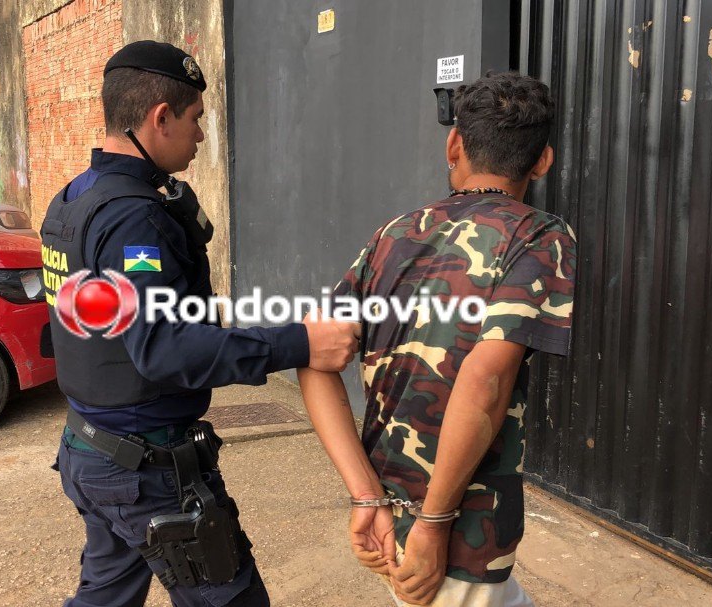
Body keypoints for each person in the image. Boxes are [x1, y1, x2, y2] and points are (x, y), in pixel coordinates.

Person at [40, 40, 360, 607]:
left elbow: (125, 321)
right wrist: (299, 343)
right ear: (160, 118)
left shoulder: (73, 199)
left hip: (91, 449)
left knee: (105, 598)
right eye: (196, 119)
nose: (202, 135)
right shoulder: (134, 218)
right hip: (145, 470)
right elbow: (164, 350)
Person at [297, 72, 577, 607]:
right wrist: (434, 523)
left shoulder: (394, 233)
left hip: (389, 514)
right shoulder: (540, 236)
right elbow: (487, 379)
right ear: (543, 161)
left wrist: (365, 494)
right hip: (457, 533)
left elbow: (311, 354)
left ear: (454, 145)